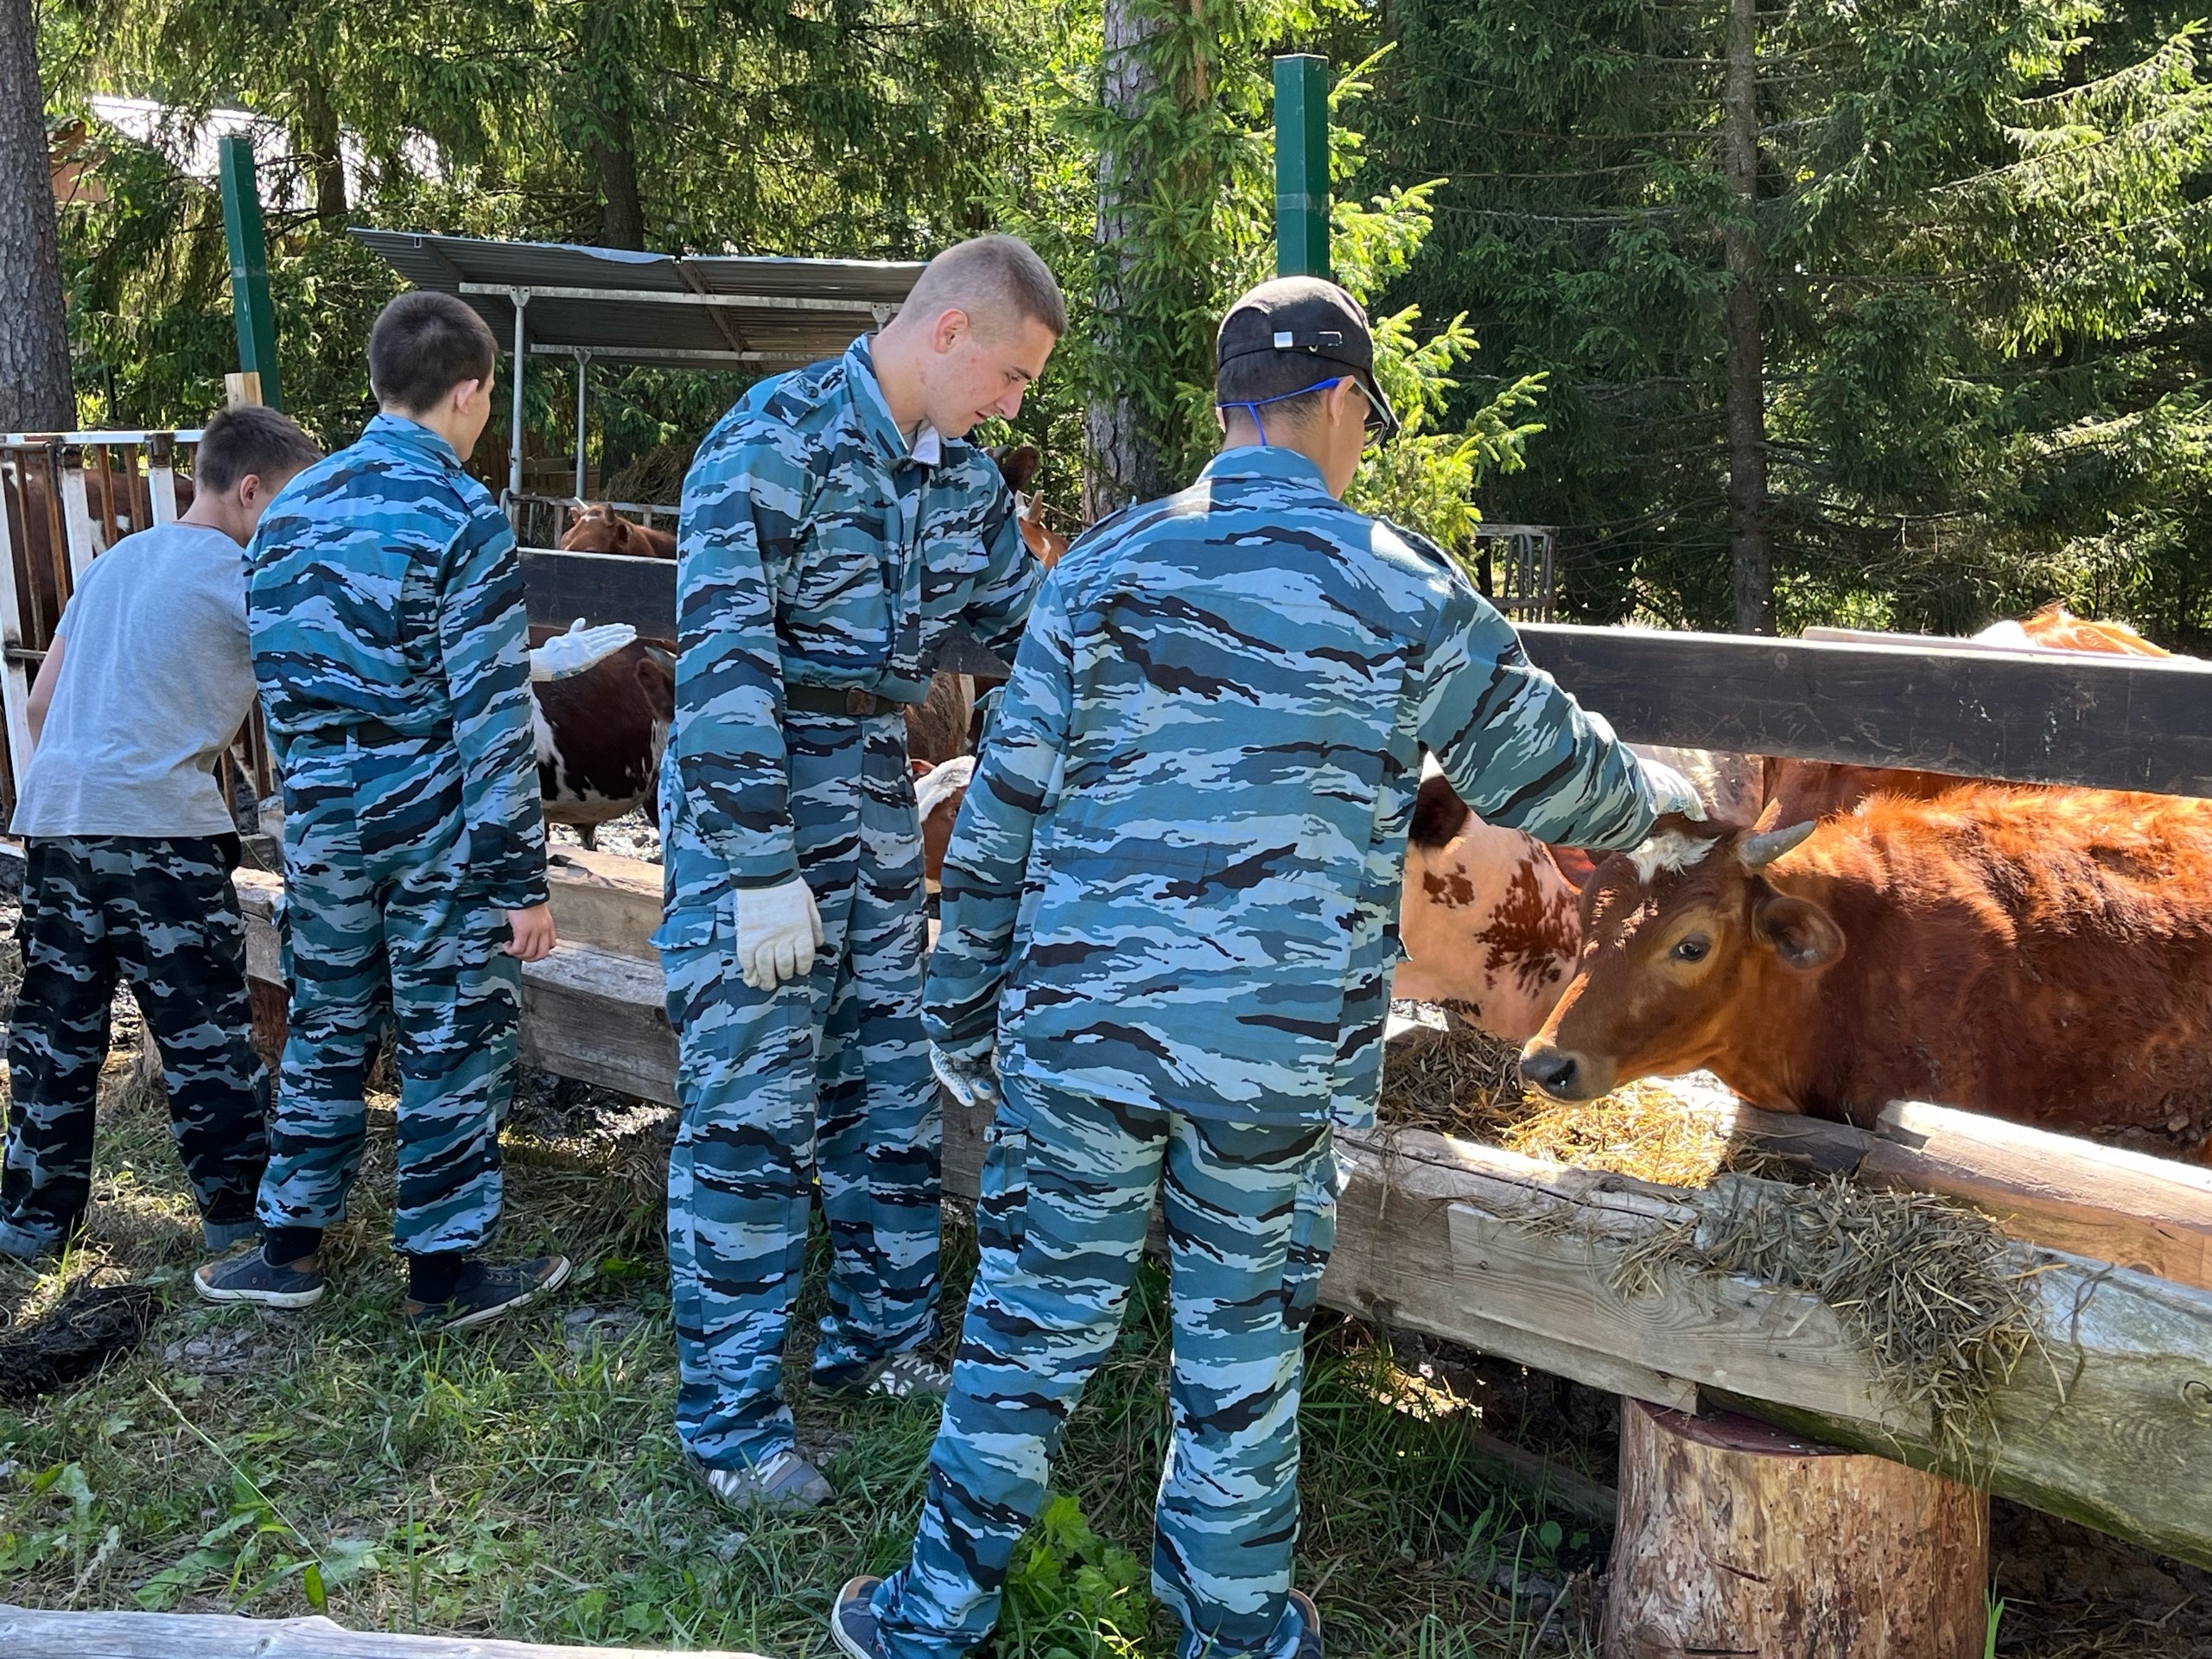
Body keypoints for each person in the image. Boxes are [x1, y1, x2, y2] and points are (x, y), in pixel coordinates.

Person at [830, 277, 1707, 1659]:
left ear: (1228, 408)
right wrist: (1660, 802)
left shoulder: (1101, 570)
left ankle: (932, 1617)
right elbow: (1542, 768)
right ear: (1344, 402)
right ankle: (1233, 1631)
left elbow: (1000, 816)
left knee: (1027, 1331)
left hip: (1082, 1034)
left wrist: (962, 1011)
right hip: (1276, 1054)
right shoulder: (1400, 579)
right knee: (1240, 1353)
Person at [658, 233, 1065, 1510]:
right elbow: (723, 663)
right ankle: (731, 1426)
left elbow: (1035, 630)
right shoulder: (770, 441)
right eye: (1009, 376)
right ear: (948, 331)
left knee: (888, 1087)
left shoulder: (965, 486)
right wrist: (756, 865)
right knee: (750, 1111)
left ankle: (877, 1346)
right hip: (759, 794)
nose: (1012, 407)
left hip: (878, 796)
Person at [195, 290, 572, 1330]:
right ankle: (443, 1278)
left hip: (321, 820)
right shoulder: (463, 517)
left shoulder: (290, 511)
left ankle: (286, 1252)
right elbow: (492, 719)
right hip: (434, 825)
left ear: (376, 383)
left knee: (326, 1021)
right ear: (471, 392)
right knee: (450, 1032)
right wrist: (520, 884)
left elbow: (280, 691)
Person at [0, 406, 323, 1263]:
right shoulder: (248, 577)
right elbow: (318, 690)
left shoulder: (115, 562)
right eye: (293, 503)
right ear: (250, 491)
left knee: (55, 1033)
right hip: (161, 834)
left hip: (58, 821)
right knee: (203, 1035)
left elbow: (40, 705)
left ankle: (31, 1225)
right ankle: (240, 1221)